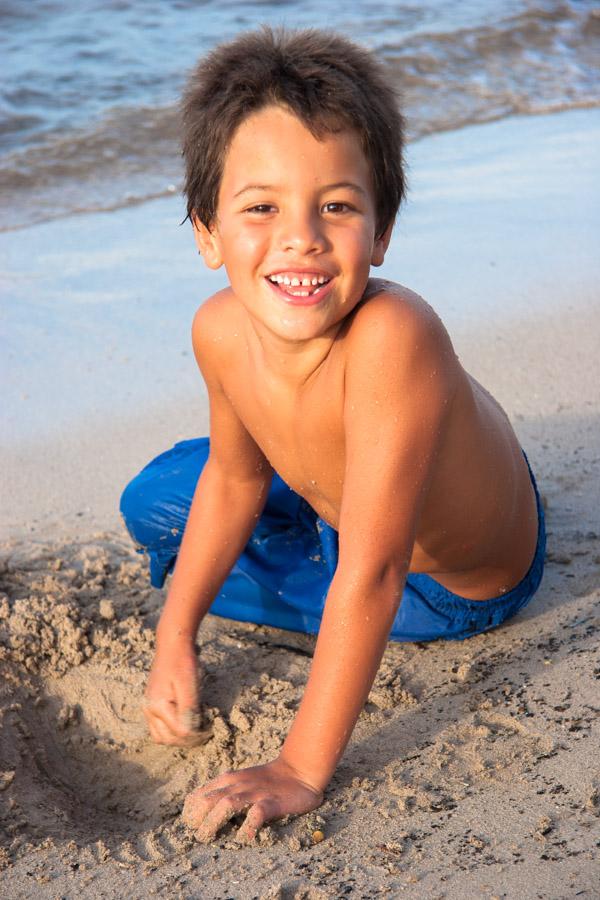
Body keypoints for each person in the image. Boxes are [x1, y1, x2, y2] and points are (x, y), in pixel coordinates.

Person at [120, 26, 545, 844]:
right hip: (350, 498)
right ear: (206, 232)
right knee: (157, 501)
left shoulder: (394, 335)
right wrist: (177, 637)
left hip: (443, 579)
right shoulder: (218, 330)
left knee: (207, 557)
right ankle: (239, 569)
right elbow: (236, 480)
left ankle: (284, 561)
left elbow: (378, 570)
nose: (302, 237)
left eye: (338, 206)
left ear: (382, 232)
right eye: (261, 207)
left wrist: (301, 768)